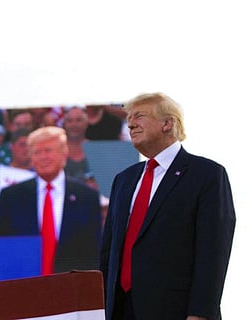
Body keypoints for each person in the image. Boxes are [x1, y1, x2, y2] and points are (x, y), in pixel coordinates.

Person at [100, 93, 236, 320]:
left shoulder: (206, 174)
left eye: (139, 116)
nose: (131, 123)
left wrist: (200, 313)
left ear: (168, 123)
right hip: (121, 311)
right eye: (129, 118)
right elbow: (108, 252)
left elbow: (213, 251)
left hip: (175, 310)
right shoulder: (123, 179)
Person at [0, 126, 102, 274]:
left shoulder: (86, 197)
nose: (43, 157)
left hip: (72, 286)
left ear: (64, 154)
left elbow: (93, 250)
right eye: (37, 152)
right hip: (24, 284)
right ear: (31, 158)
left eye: (48, 151)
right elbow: (3, 246)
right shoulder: (10, 197)